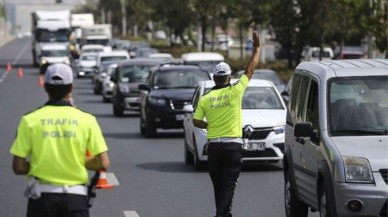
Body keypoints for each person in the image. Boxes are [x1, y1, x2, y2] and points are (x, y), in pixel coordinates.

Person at [10, 63, 110, 217]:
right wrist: (74, 160)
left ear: (45, 87)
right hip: (76, 199)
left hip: (42, 199)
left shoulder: (29, 120)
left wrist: (42, 163)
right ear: (71, 88)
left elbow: (18, 166)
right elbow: (103, 163)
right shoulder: (87, 120)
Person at [193, 31, 261, 217]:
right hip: (233, 147)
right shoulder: (235, 91)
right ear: (229, 78)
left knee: (219, 186)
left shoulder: (206, 98)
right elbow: (249, 71)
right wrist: (256, 49)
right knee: (228, 186)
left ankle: (223, 214)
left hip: (214, 147)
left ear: (214, 79)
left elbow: (196, 121)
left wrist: (209, 125)